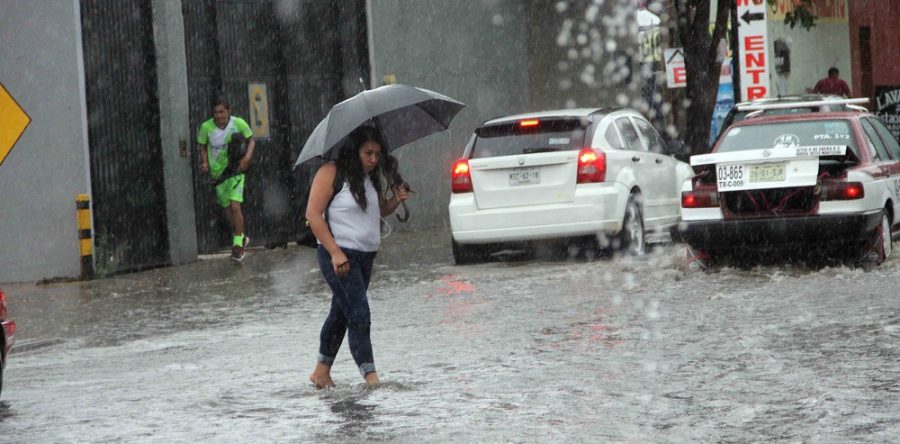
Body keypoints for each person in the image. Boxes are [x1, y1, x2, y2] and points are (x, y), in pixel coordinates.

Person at [306, 126, 409, 388]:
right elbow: (313, 215)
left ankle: (321, 372)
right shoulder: (331, 172)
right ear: (355, 150)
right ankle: (371, 376)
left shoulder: (370, 177)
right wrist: (335, 253)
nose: (373, 159)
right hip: (340, 256)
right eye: (368, 153)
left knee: (341, 313)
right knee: (359, 313)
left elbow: (375, 212)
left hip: (365, 257)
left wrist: (395, 200)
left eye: (377, 154)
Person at [197, 98, 256, 261]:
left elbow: (251, 139)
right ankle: (242, 237)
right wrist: (205, 163)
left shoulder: (238, 123)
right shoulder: (206, 128)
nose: (219, 115)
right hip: (218, 175)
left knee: (235, 206)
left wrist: (247, 157)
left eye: (222, 111)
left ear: (228, 111)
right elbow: (202, 146)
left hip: (235, 171)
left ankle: (237, 246)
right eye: (216, 112)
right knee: (227, 210)